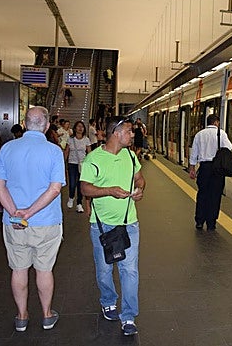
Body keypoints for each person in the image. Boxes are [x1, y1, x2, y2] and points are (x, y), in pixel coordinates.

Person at [0, 106, 66, 332]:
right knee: (44, 270)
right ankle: (46, 315)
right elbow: (55, 189)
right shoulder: (54, 151)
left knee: (19, 269)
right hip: (46, 222)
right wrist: (31, 212)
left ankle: (22, 317)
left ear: (25, 124)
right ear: (46, 126)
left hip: (14, 223)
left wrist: (16, 212)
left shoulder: (7, 149)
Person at [80, 116, 145, 336]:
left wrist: (140, 190)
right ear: (116, 133)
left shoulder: (130, 155)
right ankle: (108, 300)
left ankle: (128, 316)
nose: (132, 134)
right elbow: (85, 189)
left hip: (129, 223)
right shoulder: (93, 158)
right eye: (129, 130)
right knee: (105, 268)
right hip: (102, 225)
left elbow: (140, 178)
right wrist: (109, 190)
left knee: (129, 270)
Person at [188, 114, 232, 230]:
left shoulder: (199, 134)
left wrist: (192, 169)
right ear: (216, 122)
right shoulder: (221, 133)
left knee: (202, 194)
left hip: (204, 168)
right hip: (217, 169)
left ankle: (199, 221)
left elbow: (194, 153)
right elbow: (229, 147)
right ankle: (211, 222)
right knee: (215, 196)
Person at [65, 121, 91, 213]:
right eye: (78, 126)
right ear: (75, 128)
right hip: (72, 163)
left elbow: (89, 152)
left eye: (82, 127)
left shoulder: (86, 139)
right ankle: (71, 197)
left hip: (83, 164)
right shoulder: (70, 139)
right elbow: (67, 151)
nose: (80, 128)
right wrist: (64, 162)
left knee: (80, 185)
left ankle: (79, 203)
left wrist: (90, 164)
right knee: (72, 183)